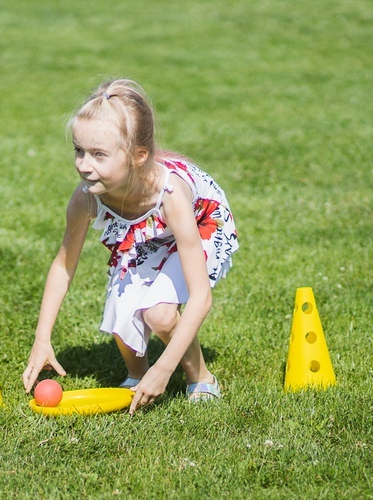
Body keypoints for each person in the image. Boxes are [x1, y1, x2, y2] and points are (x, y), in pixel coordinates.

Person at [21, 79, 238, 414]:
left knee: (160, 313)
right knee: (122, 305)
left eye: (98, 155)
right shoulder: (85, 198)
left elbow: (201, 297)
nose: (83, 165)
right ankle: (136, 375)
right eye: (79, 151)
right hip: (146, 228)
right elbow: (63, 266)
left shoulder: (172, 196)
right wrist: (41, 339)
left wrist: (164, 371)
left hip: (202, 222)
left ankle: (201, 377)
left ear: (139, 156)